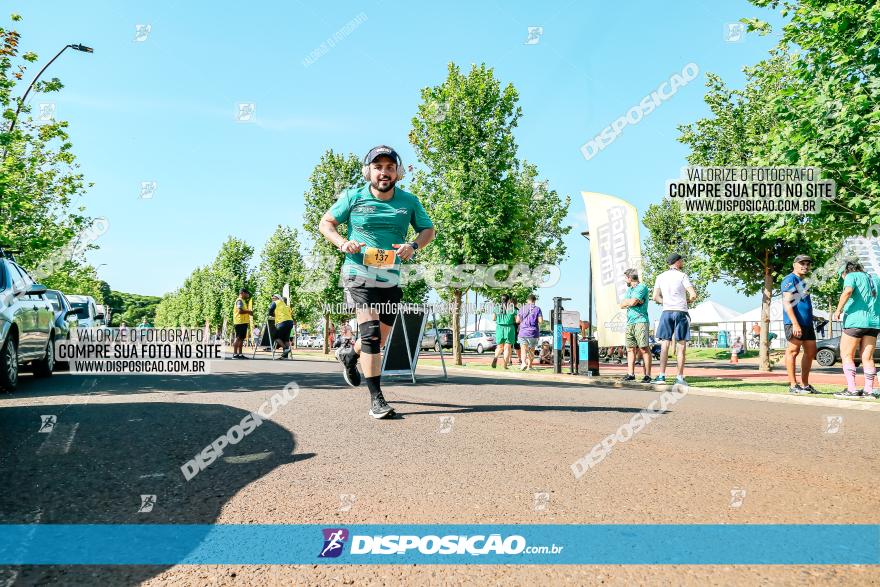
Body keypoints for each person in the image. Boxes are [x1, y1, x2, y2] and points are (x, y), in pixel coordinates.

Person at [319, 145, 435, 419]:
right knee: (370, 334)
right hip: (358, 272)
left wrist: (413, 246)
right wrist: (343, 242)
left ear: (398, 173)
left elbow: (428, 230)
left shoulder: (409, 201)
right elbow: (326, 223)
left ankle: (349, 354)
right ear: (367, 171)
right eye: (378, 167)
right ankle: (377, 399)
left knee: (378, 339)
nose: (384, 172)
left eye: (390, 167)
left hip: (390, 277)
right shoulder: (353, 197)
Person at [833, 261, 880, 398]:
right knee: (867, 357)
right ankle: (869, 391)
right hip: (874, 322)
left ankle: (852, 389)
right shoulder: (875, 278)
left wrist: (838, 310)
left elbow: (847, 291)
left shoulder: (851, 276)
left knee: (847, 355)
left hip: (855, 321)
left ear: (844, 272)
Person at [652, 253, 697, 385]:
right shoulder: (682, 275)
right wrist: (688, 300)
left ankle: (661, 376)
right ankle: (679, 378)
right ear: (677, 262)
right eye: (681, 260)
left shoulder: (660, 276)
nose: (682, 262)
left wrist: (665, 302)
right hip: (681, 311)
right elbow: (693, 294)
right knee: (681, 345)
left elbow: (655, 297)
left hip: (666, 311)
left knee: (664, 344)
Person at [781, 255, 818, 394]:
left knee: (810, 352)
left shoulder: (804, 282)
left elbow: (801, 304)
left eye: (808, 264)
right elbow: (787, 303)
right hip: (794, 323)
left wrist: (812, 316)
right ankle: (793, 385)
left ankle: (805, 384)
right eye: (802, 263)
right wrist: (795, 324)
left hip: (807, 323)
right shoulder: (790, 279)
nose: (805, 266)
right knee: (793, 351)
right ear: (794, 264)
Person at [620, 268, 652, 383]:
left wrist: (631, 302)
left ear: (629, 278)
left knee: (643, 348)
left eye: (625, 278)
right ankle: (631, 374)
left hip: (641, 321)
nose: (625, 280)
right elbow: (621, 304)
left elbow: (631, 302)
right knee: (630, 349)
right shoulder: (629, 289)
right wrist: (633, 301)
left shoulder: (642, 287)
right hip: (630, 322)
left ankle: (647, 375)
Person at [516, 294, 543, 371]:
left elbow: (517, 320)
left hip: (523, 332)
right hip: (533, 332)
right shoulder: (537, 309)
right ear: (535, 301)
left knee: (523, 349)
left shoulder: (522, 308)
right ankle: (529, 366)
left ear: (527, 300)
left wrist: (524, 322)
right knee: (531, 350)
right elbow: (540, 321)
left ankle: (523, 363)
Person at [491, 294, 517, 369]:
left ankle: (496, 357)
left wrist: (500, 318)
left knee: (499, 347)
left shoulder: (497, 308)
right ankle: (505, 365)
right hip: (509, 328)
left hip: (499, 328)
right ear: (508, 300)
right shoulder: (512, 308)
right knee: (507, 348)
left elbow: (493, 318)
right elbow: (516, 320)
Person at [269, 294, 294, 359]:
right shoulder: (285, 305)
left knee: (275, 336)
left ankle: (286, 349)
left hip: (282, 322)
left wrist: (272, 314)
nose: (273, 299)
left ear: (278, 298)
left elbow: (270, 310)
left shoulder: (276, 302)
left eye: (274, 297)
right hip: (290, 322)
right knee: (286, 339)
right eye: (272, 298)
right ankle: (285, 356)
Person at [232, 288, 253, 359]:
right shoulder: (239, 300)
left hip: (243, 322)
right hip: (239, 322)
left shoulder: (243, 301)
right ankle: (235, 354)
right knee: (238, 337)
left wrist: (248, 312)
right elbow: (240, 311)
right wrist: (249, 311)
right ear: (243, 293)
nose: (248, 295)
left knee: (241, 338)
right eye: (247, 293)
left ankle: (240, 354)